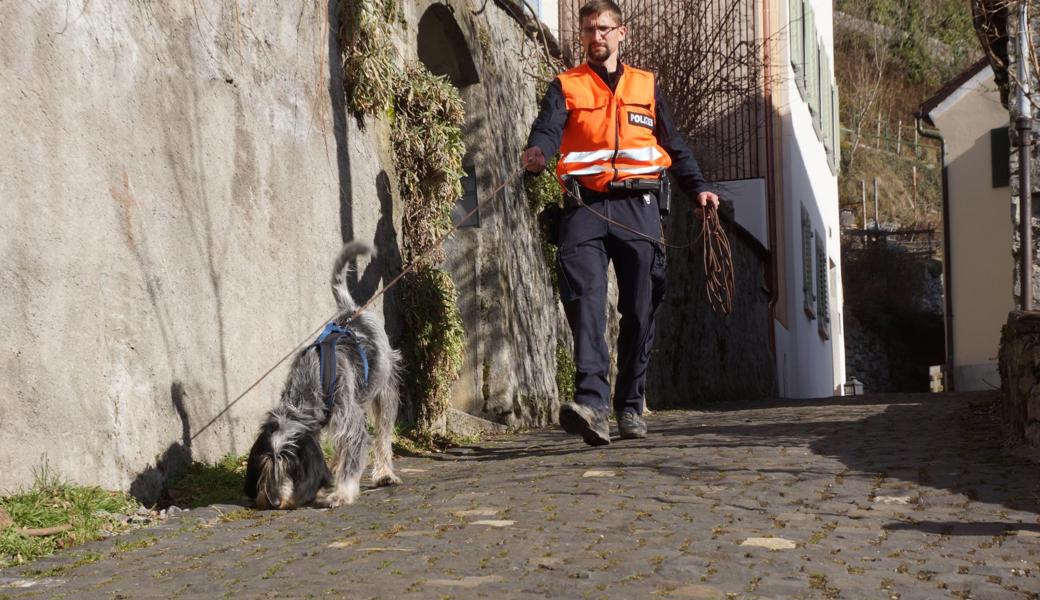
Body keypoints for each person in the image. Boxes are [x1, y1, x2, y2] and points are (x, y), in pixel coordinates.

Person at [523, 0, 719, 446]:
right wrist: (538, 151)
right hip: (584, 208)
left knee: (640, 306)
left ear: (621, 33)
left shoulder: (646, 86)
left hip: (638, 208)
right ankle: (591, 404)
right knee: (585, 301)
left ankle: (630, 404)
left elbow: (675, 145)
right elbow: (548, 128)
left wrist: (699, 187)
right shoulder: (566, 85)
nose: (596, 37)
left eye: (604, 29)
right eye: (589, 30)